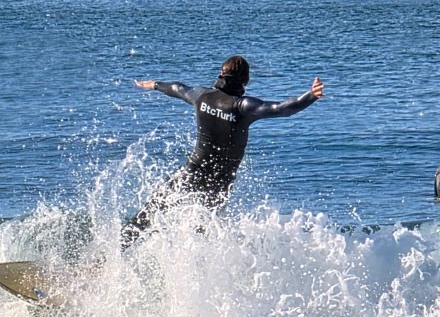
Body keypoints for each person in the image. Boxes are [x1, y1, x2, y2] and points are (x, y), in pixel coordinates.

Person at [122, 55, 324, 247]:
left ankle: (112, 254)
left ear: (221, 74)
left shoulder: (202, 96)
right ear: (245, 81)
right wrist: (310, 96)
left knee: (152, 210)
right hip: (220, 182)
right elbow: (281, 109)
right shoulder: (242, 106)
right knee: (205, 230)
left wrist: (155, 84)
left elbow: (177, 88)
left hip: (192, 171)